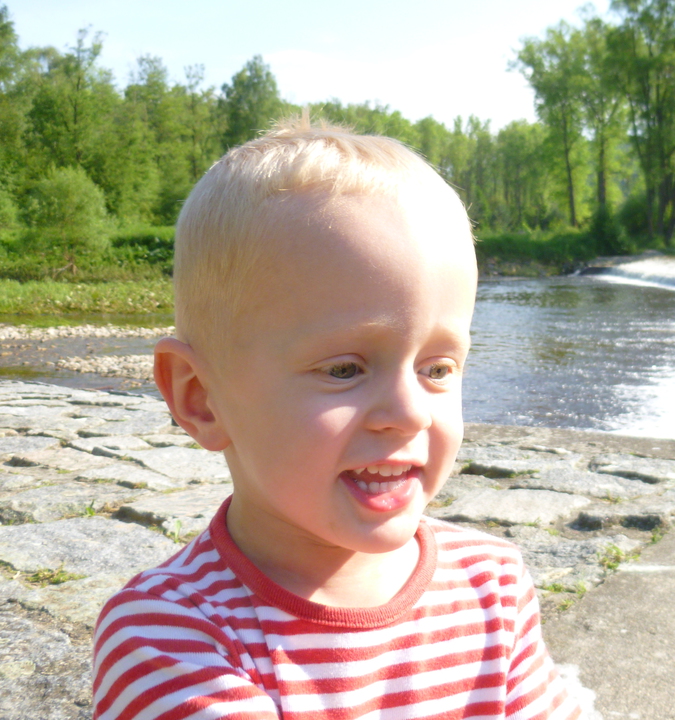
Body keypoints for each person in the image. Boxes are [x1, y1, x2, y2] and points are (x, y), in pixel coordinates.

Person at [92, 117, 580, 719]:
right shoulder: (170, 641)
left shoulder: (493, 586)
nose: (409, 413)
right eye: (345, 369)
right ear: (201, 398)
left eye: (437, 368)